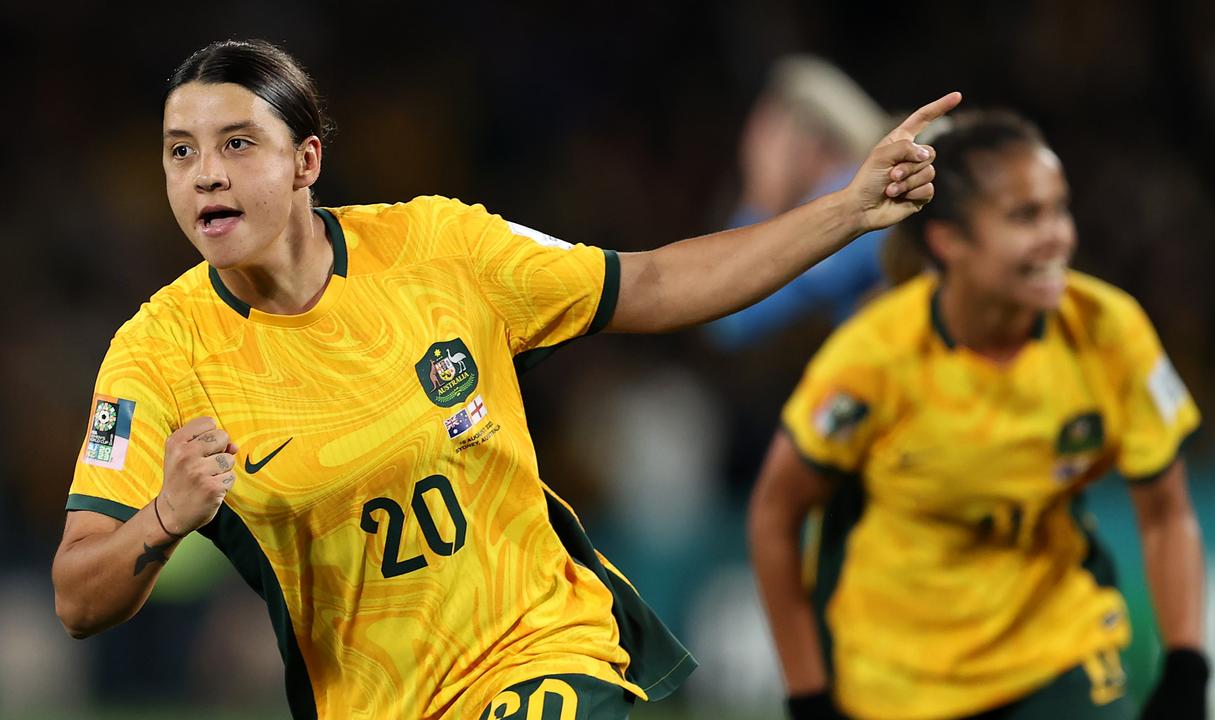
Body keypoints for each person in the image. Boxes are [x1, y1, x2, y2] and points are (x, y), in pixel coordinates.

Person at [50, 38, 959, 720]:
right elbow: (78, 596)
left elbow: (652, 280)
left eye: (238, 144)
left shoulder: (440, 247)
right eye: (180, 151)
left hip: (545, 652)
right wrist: (164, 517)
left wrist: (844, 210)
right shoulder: (159, 353)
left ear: (306, 161)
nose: (205, 174)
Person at [748, 110, 1208, 720]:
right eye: (1025, 216)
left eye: (1059, 209)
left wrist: (1186, 666)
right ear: (948, 242)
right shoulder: (874, 358)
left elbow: (1166, 515)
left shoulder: (1109, 330)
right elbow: (775, 516)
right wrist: (808, 695)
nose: (1059, 237)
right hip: (899, 686)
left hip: (1060, 660)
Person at [705, 55, 891, 350]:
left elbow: (731, 322)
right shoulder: (858, 193)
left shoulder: (854, 204)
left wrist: (760, 198)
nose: (752, 155)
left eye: (764, 139)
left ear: (801, 141)